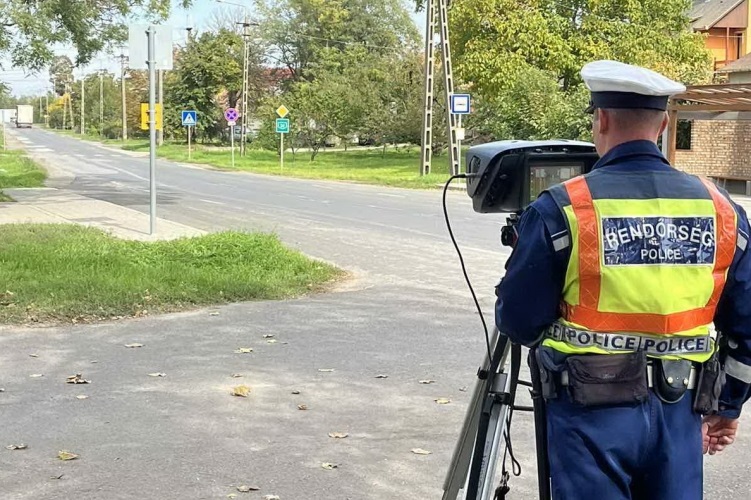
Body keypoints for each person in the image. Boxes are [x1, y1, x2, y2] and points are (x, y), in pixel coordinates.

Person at [495, 60, 751, 500]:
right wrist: (727, 404)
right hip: (680, 408)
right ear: (664, 124)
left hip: (589, 414)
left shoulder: (565, 206)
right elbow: (747, 327)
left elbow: (518, 321)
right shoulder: (722, 209)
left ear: (602, 118)